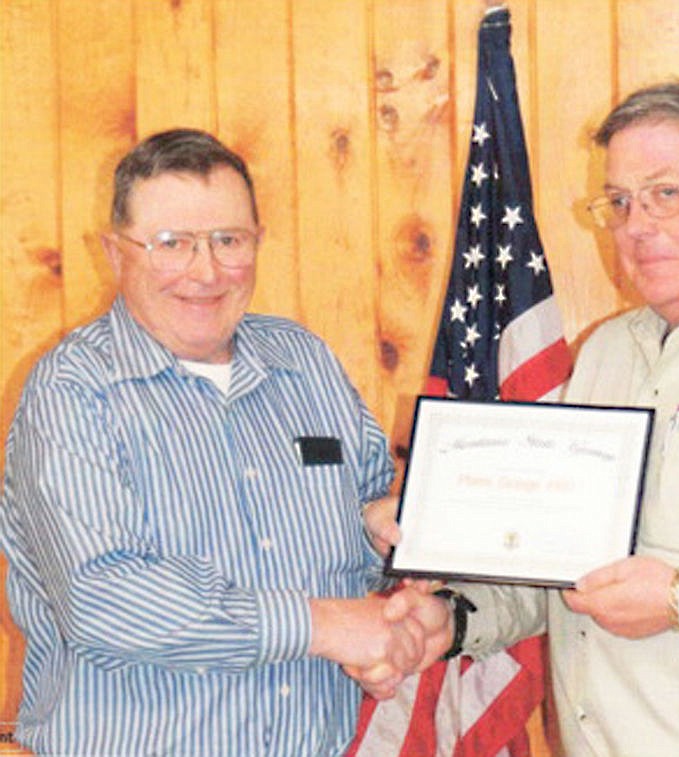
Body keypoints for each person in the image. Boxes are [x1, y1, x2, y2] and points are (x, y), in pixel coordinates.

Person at [0, 128, 445, 756]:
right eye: (170, 243)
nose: (205, 271)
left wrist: (379, 529)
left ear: (258, 243)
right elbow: (104, 598)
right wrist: (326, 627)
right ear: (114, 252)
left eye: (228, 241)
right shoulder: (72, 390)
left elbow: (372, 506)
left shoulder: (304, 361)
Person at [360, 82, 679, 755]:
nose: (638, 225)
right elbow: (559, 562)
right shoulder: (606, 354)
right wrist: (450, 620)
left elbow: (665, 594)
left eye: (667, 193)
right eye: (621, 202)